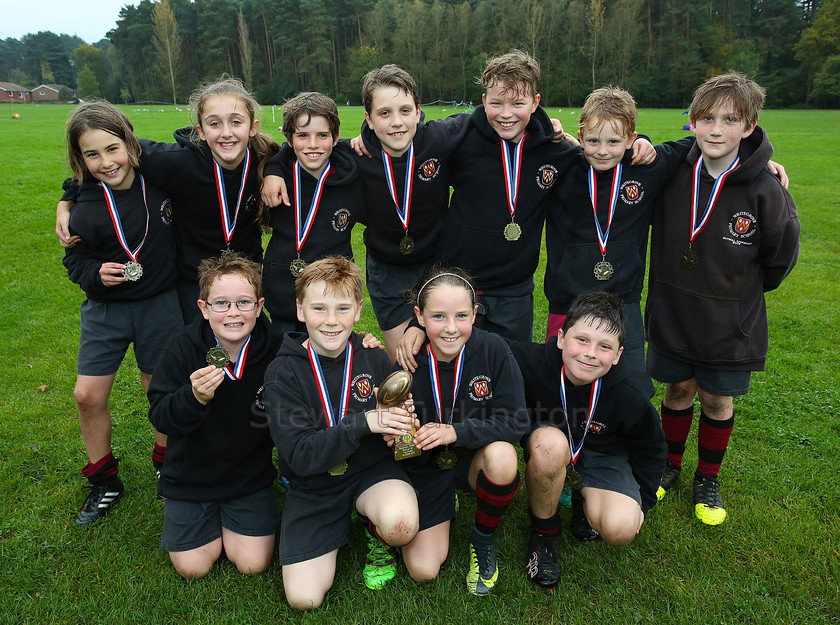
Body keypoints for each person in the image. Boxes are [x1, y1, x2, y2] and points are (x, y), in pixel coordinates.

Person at [646, 71, 800, 526]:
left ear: (749, 127)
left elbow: (780, 257)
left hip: (728, 322)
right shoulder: (672, 172)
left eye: (730, 120)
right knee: (677, 390)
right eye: (707, 118)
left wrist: (738, 297)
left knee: (716, 399)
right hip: (674, 313)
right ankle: (669, 464)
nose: (716, 129)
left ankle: (707, 477)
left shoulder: (765, 189)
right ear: (692, 122)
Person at [263, 65, 471, 361]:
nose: (397, 122)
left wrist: (546, 124)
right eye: (384, 113)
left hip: (434, 264)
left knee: (446, 354)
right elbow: (300, 146)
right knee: (404, 362)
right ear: (369, 119)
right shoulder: (354, 157)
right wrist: (273, 169)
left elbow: (491, 120)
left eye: (405, 111)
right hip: (386, 271)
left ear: (419, 111)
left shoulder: (440, 138)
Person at [263, 257, 419, 609]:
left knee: (401, 524)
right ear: (300, 310)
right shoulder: (282, 373)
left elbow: (396, 423)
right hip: (314, 483)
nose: (331, 321)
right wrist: (365, 422)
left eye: (342, 308)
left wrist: (400, 426)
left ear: (358, 310)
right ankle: (339, 516)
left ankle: (376, 531)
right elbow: (299, 456)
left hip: (370, 472)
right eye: (319, 308)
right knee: (305, 599)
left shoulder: (373, 356)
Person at [57, 75, 279, 322]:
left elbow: (299, 158)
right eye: (214, 124)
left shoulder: (266, 159)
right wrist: (67, 199)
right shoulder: (175, 161)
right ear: (200, 131)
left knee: (251, 344)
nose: (226, 133)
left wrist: (274, 172)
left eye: (236, 122)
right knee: (194, 350)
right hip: (192, 279)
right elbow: (108, 159)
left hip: (245, 276)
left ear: (253, 127)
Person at [62, 100, 183, 526]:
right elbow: (73, 261)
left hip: (159, 305)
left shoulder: (160, 179)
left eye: (112, 149)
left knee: (160, 392)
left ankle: (167, 465)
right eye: (91, 154)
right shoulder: (84, 200)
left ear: (129, 143)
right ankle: (104, 480)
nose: (105, 162)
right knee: (87, 395)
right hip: (105, 311)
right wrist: (95, 272)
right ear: (80, 160)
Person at [506, 291, 666, 590]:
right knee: (550, 446)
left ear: (618, 355)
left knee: (620, 530)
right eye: (582, 340)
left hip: (605, 455)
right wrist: (421, 329)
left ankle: (583, 501)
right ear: (560, 338)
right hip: (550, 447)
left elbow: (652, 449)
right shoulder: (532, 360)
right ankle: (545, 534)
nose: (590, 353)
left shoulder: (631, 391)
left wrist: (642, 503)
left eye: (604, 346)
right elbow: (478, 342)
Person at [544, 87, 696, 393]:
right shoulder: (564, 166)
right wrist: (548, 129)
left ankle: (622, 440)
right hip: (568, 300)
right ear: (581, 135)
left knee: (631, 388)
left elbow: (700, 143)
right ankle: (563, 440)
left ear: (630, 139)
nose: (602, 150)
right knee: (560, 388)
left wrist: (759, 160)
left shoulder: (647, 167)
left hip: (623, 301)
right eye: (593, 141)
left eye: (614, 141)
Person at [395, 266, 529, 596]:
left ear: (475, 314)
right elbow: (397, 438)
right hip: (426, 467)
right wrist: (402, 429)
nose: (451, 328)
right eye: (438, 316)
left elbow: (516, 421)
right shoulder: (407, 359)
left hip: (472, 461)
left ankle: (482, 539)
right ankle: (441, 505)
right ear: (419, 316)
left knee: (503, 456)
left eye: (462, 316)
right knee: (423, 570)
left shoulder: (493, 349)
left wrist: (455, 432)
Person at [147, 254, 282, 578]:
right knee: (193, 568)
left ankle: (239, 520)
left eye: (244, 303)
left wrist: (363, 344)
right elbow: (160, 415)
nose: (233, 313)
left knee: (253, 563)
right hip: (191, 477)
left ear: (260, 305)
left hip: (248, 477)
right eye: (221, 303)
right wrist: (193, 398)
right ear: (204, 308)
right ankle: (199, 519)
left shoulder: (277, 347)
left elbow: (320, 357)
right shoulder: (181, 348)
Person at [439, 49, 581, 341]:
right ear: (483, 101)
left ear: (535, 102)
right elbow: (408, 139)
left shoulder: (555, 150)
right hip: (458, 284)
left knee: (511, 370)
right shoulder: (460, 140)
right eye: (496, 103)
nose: (506, 114)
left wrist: (640, 142)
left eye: (518, 103)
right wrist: (366, 134)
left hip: (515, 290)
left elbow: (603, 157)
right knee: (456, 371)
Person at [259, 92, 365, 331]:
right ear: (289, 138)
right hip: (282, 300)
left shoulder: (353, 178)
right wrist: (273, 169)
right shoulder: (277, 177)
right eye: (302, 136)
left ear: (336, 137)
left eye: (322, 136)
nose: (313, 145)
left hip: (333, 302)